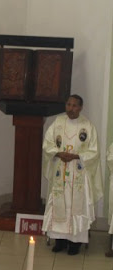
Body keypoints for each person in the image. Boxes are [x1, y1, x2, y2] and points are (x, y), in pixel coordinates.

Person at [42, 94, 103, 255]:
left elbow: (94, 152)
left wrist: (76, 156)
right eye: (68, 105)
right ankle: (59, 241)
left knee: (76, 206)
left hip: (78, 173)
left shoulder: (87, 126)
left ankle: (75, 243)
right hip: (60, 172)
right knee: (59, 204)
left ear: (80, 107)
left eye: (74, 105)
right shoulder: (58, 123)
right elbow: (47, 143)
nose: (71, 108)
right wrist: (58, 153)